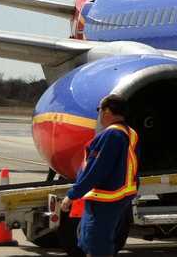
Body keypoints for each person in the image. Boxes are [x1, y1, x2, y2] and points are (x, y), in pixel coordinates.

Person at [59, 94, 139, 257]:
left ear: (107, 111)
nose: (99, 114)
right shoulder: (130, 133)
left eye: (99, 109)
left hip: (104, 199)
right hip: (119, 196)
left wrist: (73, 195)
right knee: (96, 239)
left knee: (95, 242)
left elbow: (96, 170)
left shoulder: (111, 135)